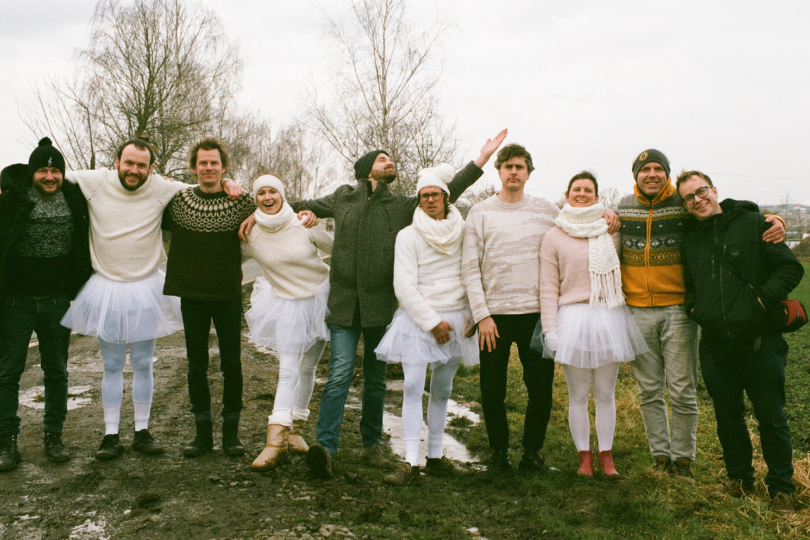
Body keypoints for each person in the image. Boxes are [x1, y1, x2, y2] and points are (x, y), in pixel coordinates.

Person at [257, 130, 509, 479]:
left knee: (375, 380)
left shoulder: (401, 204)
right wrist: (252, 212)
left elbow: (449, 191)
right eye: (382, 158)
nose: (390, 162)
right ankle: (325, 448)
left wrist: (481, 158)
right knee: (340, 374)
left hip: (380, 305)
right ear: (366, 169)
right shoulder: (342, 197)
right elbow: (293, 205)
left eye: (390, 159)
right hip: (344, 304)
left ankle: (371, 446)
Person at [62, 135, 243, 460]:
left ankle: (143, 432)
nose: (134, 170)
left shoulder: (163, 187)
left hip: (145, 287)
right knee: (113, 365)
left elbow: (205, 183)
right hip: (107, 287)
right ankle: (110, 435)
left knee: (144, 363)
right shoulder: (94, 181)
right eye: (128, 163)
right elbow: (52, 175)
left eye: (141, 165)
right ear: (116, 161)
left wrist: (228, 181)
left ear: (151, 168)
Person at [617, 149, 785, 478]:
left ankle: (683, 459)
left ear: (665, 173)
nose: (651, 174)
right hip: (636, 310)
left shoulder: (682, 204)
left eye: (658, 169)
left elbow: (728, 210)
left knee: (681, 388)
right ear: (635, 175)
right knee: (649, 390)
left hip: (678, 310)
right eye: (644, 170)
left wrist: (771, 218)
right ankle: (660, 456)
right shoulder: (622, 206)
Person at [462, 145, 620, 481]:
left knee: (540, 390)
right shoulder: (479, 213)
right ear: (499, 171)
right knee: (492, 390)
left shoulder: (546, 211)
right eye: (507, 166)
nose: (513, 172)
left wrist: (606, 212)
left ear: (529, 173)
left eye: (520, 166)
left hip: (535, 315)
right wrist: (480, 315)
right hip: (495, 318)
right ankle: (499, 455)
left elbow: (581, 212)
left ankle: (532, 453)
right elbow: (469, 269)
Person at [677, 170, 803, 514]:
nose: (697, 200)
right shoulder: (691, 240)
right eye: (689, 197)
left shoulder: (753, 223)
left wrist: (762, 299)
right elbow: (690, 284)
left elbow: (790, 269)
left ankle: (781, 490)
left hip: (760, 342)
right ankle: (740, 481)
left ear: (714, 190)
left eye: (700, 191)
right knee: (728, 417)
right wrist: (694, 307)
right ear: (685, 205)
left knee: (771, 417)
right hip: (716, 344)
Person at [537, 171, 647, 477]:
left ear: (597, 197)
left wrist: (612, 215)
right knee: (577, 394)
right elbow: (548, 287)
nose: (582, 194)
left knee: (605, 393)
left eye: (588, 190)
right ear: (568, 194)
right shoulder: (554, 236)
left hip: (607, 315)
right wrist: (550, 330)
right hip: (571, 318)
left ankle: (606, 457)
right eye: (577, 189)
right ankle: (584, 457)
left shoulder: (610, 230)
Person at [375, 164, 479, 486]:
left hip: (458, 317)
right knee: (411, 386)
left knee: (443, 389)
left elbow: (474, 272)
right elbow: (403, 286)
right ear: (419, 200)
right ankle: (409, 462)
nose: (430, 200)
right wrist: (432, 323)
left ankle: (435, 457)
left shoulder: (464, 232)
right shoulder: (408, 236)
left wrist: (474, 313)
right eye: (424, 196)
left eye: (435, 194)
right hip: (421, 320)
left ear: (446, 198)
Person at [0, 138, 92, 471]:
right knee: (8, 373)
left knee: (56, 371)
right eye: (43, 170)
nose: (50, 176)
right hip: (16, 301)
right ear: (32, 172)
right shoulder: (12, 200)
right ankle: (7, 442)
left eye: (55, 170)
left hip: (57, 301)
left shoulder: (74, 198)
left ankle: (54, 436)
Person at [162, 138, 255, 458]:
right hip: (192, 295)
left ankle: (231, 434)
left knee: (232, 365)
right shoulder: (180, 202)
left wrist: (238, 191)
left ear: (223, 166)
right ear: (193, 167)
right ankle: (202, 434)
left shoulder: (241, 202)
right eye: (202, 163)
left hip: (228, 293)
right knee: (196, 365)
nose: (208, 168)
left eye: (214, 163)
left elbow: (270, 211)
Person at [241, 174, 333, 470]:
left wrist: (315, 221)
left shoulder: (302, 222)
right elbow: (225, 256)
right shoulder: (250, 233)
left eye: (273, 192)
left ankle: (296, 431)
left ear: (283, 194)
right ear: (255, 198)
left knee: (308, 368)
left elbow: (335, 249)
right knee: (288, 369)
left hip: (320, 301)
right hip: (285, 304)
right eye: (261, 193)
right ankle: (274, 441)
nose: (267, 197)